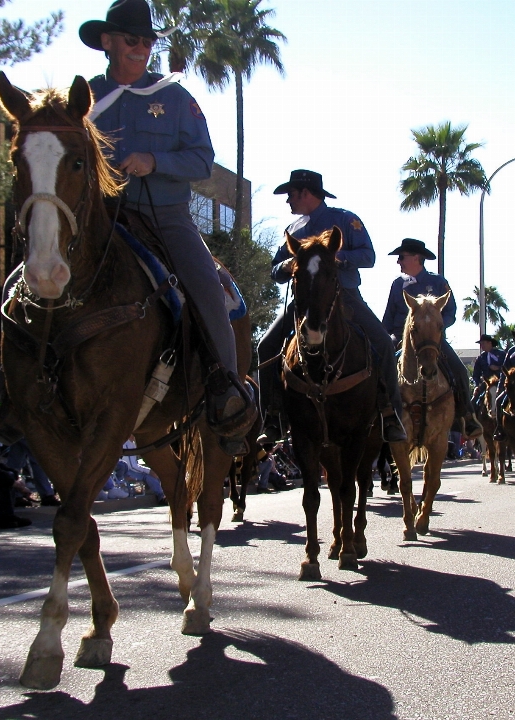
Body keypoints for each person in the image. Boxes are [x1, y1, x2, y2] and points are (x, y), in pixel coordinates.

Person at [78, 0, 253, 453]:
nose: (141, 48)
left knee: (208, 289)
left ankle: (227, 389)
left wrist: (154, 160)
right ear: (108, 42)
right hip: (101, 217)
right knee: (33, 273)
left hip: (165, 220)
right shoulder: (86, 98)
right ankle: (13, 384)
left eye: (147, 41)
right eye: (131, 39)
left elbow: (201, 160)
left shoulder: (174, 97)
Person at [256, 169, 407, 445]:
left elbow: (368, 256)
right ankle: (273, 418)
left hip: (344, 298)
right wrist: (287, 265)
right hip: (302, 304)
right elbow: (274, 270)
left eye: (290, 194)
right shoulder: (292, 231)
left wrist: (334, 257)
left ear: (305, 192)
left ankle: (390, 414)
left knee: (384, 343)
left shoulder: (345, 220)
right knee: (265, 347)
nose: (287, 201)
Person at [382, 238, 482, 439]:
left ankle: (468, 416)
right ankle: (384, 416)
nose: (398, 262)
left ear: (416, 258)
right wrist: (386, 339)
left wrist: (434, 328)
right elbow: (388, 317)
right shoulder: (397, 284)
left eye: (402, 257)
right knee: (380, 369)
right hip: (401, 339)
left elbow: (451, 312)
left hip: (431, 340)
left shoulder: (438, 282)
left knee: (460, 371)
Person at [2, 438, 60, 506]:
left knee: (15, 460)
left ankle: (14, 494)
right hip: (24, 431)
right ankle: (46, 494)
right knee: (37, 458)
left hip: (16, 431)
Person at [117, 435, 167, 504]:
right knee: (147, 475)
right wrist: (149, 471)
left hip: (132, 469)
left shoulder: (132, 443)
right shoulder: (126, 444)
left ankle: (162, 494)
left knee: (152, 474)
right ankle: (161, 496)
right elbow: (132, 466)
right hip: (127, 471)